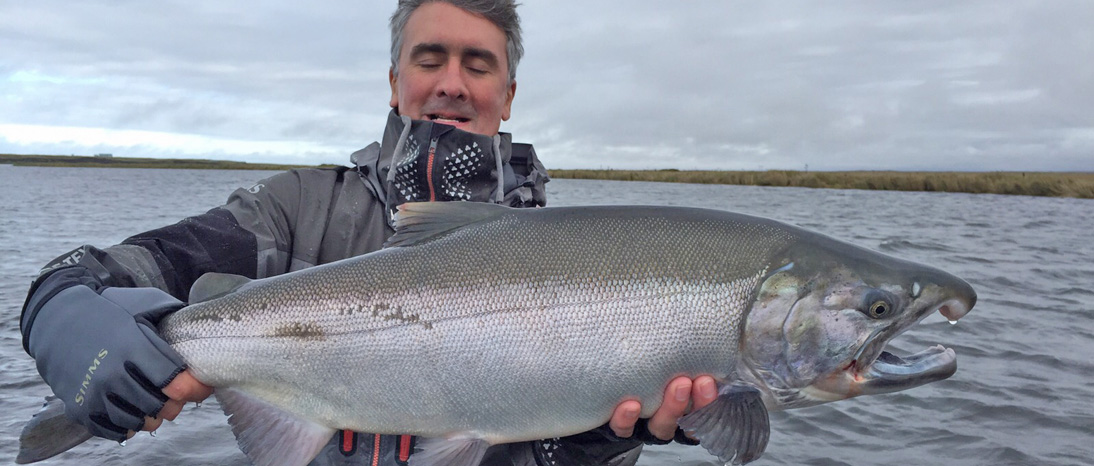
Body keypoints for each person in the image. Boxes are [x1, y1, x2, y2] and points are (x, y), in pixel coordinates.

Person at [18, 1, 718, 465]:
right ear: (393, 82)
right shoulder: (295, 208)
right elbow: (115, 270)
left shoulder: (581, 262)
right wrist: (66, 310)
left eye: (478, 65)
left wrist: (592, 441)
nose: (452, 82)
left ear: (507, 96)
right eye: (429, 59)